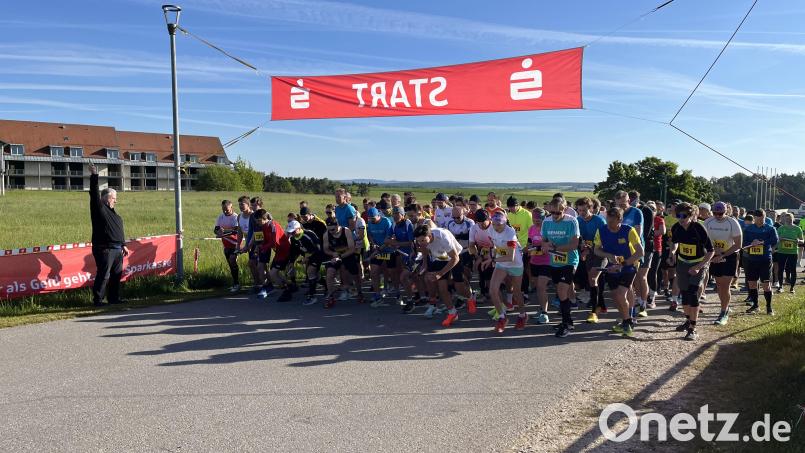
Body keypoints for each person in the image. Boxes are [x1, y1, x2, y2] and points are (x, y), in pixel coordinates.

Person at [594, 207, 644, 338]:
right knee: (616, 296)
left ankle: (628, 322)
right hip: (611, 267)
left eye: (612, 222)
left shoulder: (629, 230)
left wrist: (622, 264)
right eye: (607, 221)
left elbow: (640, 252)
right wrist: (609, 255)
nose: (609, 225)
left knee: (622, 294)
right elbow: (596, 250)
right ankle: (625, 319)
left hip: (629, 266)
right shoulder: (602, 230)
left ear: (620, 220)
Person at [668, 202, 714, 341]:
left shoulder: (699, 228)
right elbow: (674, 242)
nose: (681, 218)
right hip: (682, 262)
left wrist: (699, 266)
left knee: (693, 294)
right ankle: (688, 320)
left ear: (692, 215)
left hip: (698, 262)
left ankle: (693, 329)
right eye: (678, 215)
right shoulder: (677, 227)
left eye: (684, 216)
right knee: (685, 294)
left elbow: (711, 251)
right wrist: (673, 252)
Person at [88, 164, 129, 307]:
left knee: (116, 276)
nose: (115, 201)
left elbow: (117, 229)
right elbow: (93, 193)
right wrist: (94, 175)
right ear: (106, 198)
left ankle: (113, 298)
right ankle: (98, 300)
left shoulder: (114, 214)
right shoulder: (99, 209)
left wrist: (123, 244)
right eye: (114, 198)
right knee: (104, 275)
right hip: (104, 249)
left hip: (117, 249)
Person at [542, 198, 581, 338]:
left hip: (570, 261)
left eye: (557, 213)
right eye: (552, 212)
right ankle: (568, 321)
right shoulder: (546, 221)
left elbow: (574, 244)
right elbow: (543, 241)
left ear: (564, 210)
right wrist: (545, 246)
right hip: (554, 262)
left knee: (562, 291)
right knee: (561, 293)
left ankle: (566, 324)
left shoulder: (571, 221)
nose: (554, 215)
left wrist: (555, 247)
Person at [414, 223, 463, 327]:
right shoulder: (422, 240)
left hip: (454, 256)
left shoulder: (442, 237)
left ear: (430, 236)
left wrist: (440, 273)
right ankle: (452, 313)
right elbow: (424, 250)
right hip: (440, 258)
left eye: (423, 240)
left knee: (461, 288)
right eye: (418, 241)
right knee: (441, 288)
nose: (420, 243)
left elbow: (455, 258)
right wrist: (425, 264)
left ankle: (471, 296)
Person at [703, 201, 742, 325]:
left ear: (726, 212)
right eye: (715, 213)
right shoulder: (708, 222)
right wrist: (713, 251)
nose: (718, 216)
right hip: (714, 255)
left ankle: (723, 312)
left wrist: (723, 254)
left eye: (721, 213)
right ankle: (725, 305)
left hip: (729, 256)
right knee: (719, 285)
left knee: (725, 286)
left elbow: (738, 245)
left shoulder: (732, 223)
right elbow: (702, 240)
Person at [488, 211, 526, 333]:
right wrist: (493, 254)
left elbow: (510, 256)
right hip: (501, 263)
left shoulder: (510, 233)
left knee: (516, 292)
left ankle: (522, 315)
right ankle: (502, 317)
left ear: (505, 223)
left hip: (515, 264)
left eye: (499, 224)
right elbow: (494, 245)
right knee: (492, 290)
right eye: (494, 224)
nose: (496, 227)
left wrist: (493, 259)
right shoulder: (491, 230)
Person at [575, 197, 606, 323]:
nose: (581, 213)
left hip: (600, 253)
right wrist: (581, 247)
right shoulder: (577, 220)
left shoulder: (599, 221)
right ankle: (601, 305)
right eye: (579, 210)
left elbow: (605, 241)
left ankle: (594, 312)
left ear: (591, 208)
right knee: (594, 280)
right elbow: (577, 238)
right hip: (587, 254)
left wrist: (589, 249)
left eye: (584, 210)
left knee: (593, 279)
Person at [253, 209, 294, 301]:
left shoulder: (273, 225)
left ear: (265, 218)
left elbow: (274, 242)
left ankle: (287, 291)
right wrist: (258, 247)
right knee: (273, 273)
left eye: (259, 221)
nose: (258, 223)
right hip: (279, 252)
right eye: (257, 221)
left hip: (285, 251)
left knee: (273, 274)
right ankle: (290, 286)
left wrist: (263, 248)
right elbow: (265, 240)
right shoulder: (263, 226)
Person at [322, 216, 362, 308]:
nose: (331, 232)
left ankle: (359, 292)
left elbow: (352, 249)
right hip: (335, 256)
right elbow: (326, 249)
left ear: (337, 225)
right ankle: (331, 296)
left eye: (332, 229)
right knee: (329, 274)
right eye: (329, 230)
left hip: (347, 255)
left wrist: (340, 256)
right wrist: (333, 253)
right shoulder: (326, 234)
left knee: (355, 275)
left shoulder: (346, 231)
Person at [286, 220, 325, 305]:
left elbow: (317, 248)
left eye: (293, 231)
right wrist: (291, 262)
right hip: (308, 256)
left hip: (318, 254)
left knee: (310, 271)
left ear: (299, 228)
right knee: (315, 274)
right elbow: (293, 251)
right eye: (290, 232)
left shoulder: (308, 234)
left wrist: (307, 257)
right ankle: (326, 286)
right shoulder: (293, 238)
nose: (292, 233)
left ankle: (312, 296)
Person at [366, 207, 398, 306]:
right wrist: (373, 243)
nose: (372, 220)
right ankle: (377, 295)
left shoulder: (386, 222)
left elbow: (388, 238)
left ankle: (398, 294)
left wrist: (380, 248)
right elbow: (370, 234)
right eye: (370, 219)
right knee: (374, 272)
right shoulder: (370, 223)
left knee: (392, 273)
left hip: (388, 250)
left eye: (373, 218)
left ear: (378, 216)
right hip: (378, 251)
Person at [446, 206, 475, 309]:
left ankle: (468, 293)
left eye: (458, 217)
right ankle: (462, 297)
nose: (456, 220)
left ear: (463, 214)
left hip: (467, 251)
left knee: (467, 275)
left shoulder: (470, 222)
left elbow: (472, 237)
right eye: (454, 217)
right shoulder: (450, 223)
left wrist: (458, 236)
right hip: (456, 252)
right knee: (459, 277)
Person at [526, 208, 551, 325]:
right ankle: (541, 309)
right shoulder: (531, 229)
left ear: (544, 218)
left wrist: (539, 248)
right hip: (534, 261)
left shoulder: (548, 229)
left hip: (547, 262)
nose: (536, 221)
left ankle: (545, 313)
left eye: (539, 219)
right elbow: (529, 243)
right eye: (534, 219)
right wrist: (528, 248)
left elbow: (551, 246)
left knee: (541, 287)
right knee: (537, 287)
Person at [506, 196, 533, 294]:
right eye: (509, 207)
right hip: (513, 247)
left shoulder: (527, 214)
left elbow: (532, 231)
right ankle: (516, 291)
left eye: (512, 207)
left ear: (517, 205)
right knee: (514, 270)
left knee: (523, 269)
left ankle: (524, 292)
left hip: (524, 247)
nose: (511, 209)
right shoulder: (508, 214)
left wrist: (528, 246)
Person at [214, 200, 241, 292]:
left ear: (231, 207)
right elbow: (216, 229)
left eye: (227, 210)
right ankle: (235, 283)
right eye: (223, 209)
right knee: (231, 264)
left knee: (232, 260)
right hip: (226, 245)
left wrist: (223, 232)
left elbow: (235, 231)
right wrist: (218, 232)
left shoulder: (236, 217)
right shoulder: (220, 217)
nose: (225, 211)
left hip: (236, 244)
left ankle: (237, 284)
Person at [775, 213, 803, 294]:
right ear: (784, 220)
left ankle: (792, 287)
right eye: (786, 219)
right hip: (782, 252)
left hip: (793, 252)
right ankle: (780, 286)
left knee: (793, 270)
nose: (788, 220)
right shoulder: (781, 228)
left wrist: (798, 241)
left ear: (793, 219)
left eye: (790, 219)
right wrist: (779, 240)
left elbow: (802, 240)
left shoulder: (797, 229)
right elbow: (776, 239)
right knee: (780, 269)